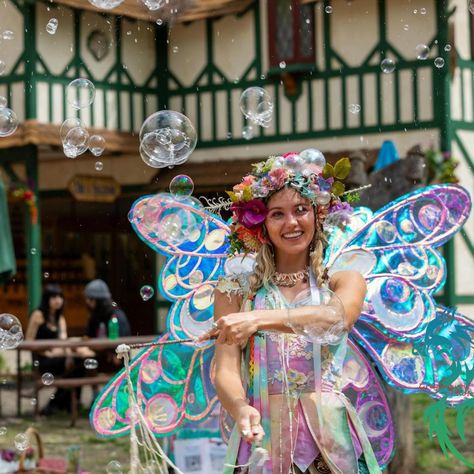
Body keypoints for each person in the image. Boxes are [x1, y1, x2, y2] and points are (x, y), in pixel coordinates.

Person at [209, 153, 381, 473]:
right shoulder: (234, 291)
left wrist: (256, 319)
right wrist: (239, 407)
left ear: (318, 216)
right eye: (277, 214)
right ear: (261, 225)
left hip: (329, 441)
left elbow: (337, 318)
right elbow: (225, 368)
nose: (291, 222)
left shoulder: (344, 280)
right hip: (264, 439)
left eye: (301, 209)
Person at [25, 284, 90, 414]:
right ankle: (65, 404)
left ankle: (61, 404)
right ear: (46, 299)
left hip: (59, 358)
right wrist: (47, 351)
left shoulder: (60, 318)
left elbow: (63, 341)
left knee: (80, 364)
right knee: (77, 367)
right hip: (43, 360)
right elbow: (28, 341)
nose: (58, 300)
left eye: (60, 296)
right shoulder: (38, 315)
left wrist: (69, 355)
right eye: (54, 296)